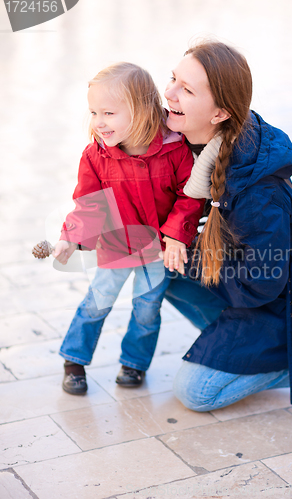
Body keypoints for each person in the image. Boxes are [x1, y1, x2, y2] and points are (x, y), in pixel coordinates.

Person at [160, 40, 292, 411]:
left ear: (220, 112)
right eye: (172, 79)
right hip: (247, 279)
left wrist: (192, 260)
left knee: (196, 392)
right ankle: (238, 346)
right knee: (163, 267)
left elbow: (264, 282)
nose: (169, 92)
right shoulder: (198, 143)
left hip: (287, 299)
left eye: (186, 90)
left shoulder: (257, 194)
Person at [53, 62, 204, 395]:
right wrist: (71, 237)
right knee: (98, 302)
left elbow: (189, 197)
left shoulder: (175, 150)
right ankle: (74, 359)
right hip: (116, 245)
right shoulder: (96, 156)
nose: (99, 122)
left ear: (139, 111)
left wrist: (177, 234)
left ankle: (134, 362)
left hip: (158, 250)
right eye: (94, 112)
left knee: (147, 309)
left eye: (108, 112)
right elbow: (89, 202)